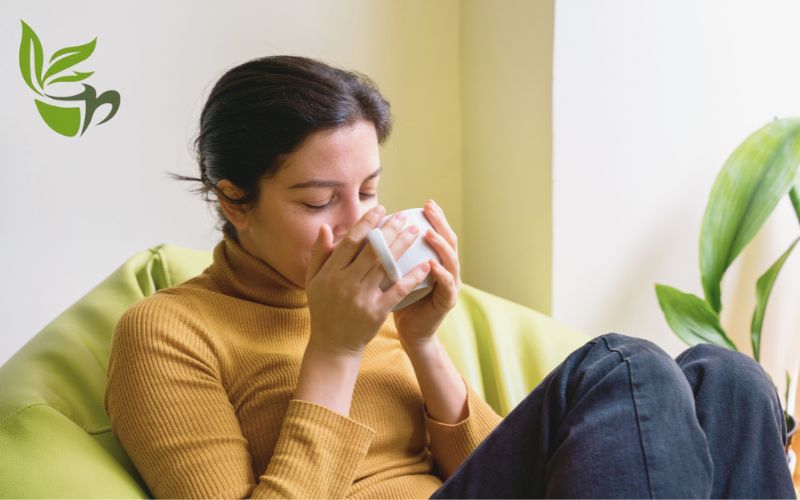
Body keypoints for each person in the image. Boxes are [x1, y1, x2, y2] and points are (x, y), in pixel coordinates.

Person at [104, 55, 796, 499]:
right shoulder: (167, 333)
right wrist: (335, 351)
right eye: (318, 201)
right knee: (625, 363)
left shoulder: (375, 308)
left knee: (726, 378)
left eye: (368, 192)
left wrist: (423, 343)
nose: (355, 224)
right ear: (234, 201)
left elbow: (513, 473)